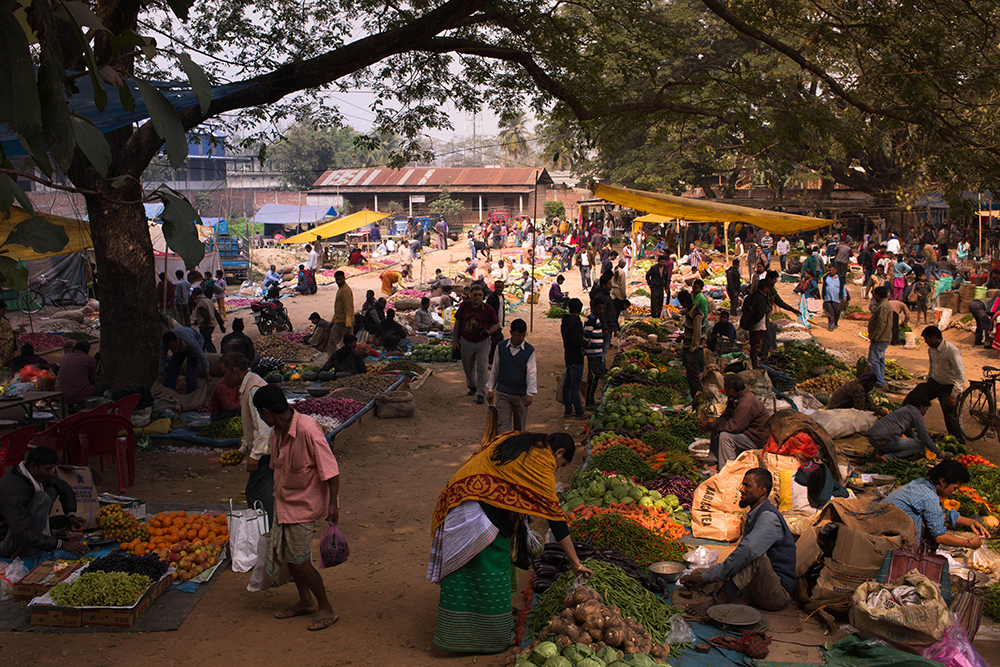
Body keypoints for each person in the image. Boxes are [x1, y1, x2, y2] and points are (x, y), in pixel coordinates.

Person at [428, 431, 591, 652]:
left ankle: (464, 631)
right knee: (493, 567)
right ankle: (488, 639)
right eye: (561, 464)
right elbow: (556, 521)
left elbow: (508, 477)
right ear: (559, 452)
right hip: (474, 511)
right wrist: (576, 563)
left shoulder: (523, 440)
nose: (556, 469)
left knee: (471, 574)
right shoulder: (543, 462)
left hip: (460, 495)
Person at [252, 385, 340, 631]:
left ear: (266, 412)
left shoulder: (307, 429)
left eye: (260, 414)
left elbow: (331, 471)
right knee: (290, 558)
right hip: (283, 502)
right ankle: (305, 601)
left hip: (304, 505)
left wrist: (333, 503)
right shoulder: (277, 431)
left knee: (301, 562)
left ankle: (326, 607)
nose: (261, 418)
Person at [681, 468, 795, 615]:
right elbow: (737, 557)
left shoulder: (768, 518)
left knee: (752, 554)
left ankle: (720, 599)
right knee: (702, 573)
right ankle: (742, 597)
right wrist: (703, 578)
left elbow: (749, 550)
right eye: (743, 485)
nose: (741, 489)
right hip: (757, 583)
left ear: (761, 491)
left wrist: (723, 577)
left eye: (747, 486)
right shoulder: (754, 515)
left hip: (776, 593)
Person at [0, 446, 88, 557]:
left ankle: (38, 538)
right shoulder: (14, 493)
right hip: (5, 542)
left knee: (52, 488)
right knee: (43, 498)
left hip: (20, 527)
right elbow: (22, 533)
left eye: (53, 469)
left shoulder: (31, 474)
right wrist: (62, 544)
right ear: (33, 467)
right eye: (48, 469)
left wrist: (71, 515)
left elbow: (64, 487)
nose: (51, 473)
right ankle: (26, 548)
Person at [218, 353, 274, 522]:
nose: (224, 377)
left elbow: (263, 427)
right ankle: (266, 525)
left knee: (256, 492)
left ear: (234, 371)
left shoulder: (253, 388)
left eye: (225, 373)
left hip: (267, 451)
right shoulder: (249, 385)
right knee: (262, 490)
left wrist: (255, 455)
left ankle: (264, 527)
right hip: (266, 449)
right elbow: (252, 425)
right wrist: (243, 449)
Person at [884, 460, 989, 549]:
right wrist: (969, 543)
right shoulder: (930, 497)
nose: (954, 493)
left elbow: (938, 513)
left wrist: (971, 522)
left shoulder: (922, 483)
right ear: (943, 481)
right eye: (954, 488)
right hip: (888, 541)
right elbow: (940, 537)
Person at [905, 326, 965, 443]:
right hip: (934, 383)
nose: (925, 342)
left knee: (950, 416)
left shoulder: (951, 351)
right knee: (915, 396)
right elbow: (932, 367)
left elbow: (960, 374)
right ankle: (901, 422)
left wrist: (954, 395)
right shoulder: (931, 349)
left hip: (948, 387)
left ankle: (959, 442)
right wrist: (928, 381)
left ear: (933, 338)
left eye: (926, 339)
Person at [699, 375, 769, 471]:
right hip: (745, 432)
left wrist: (710, 426)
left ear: (731, 390)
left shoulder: (746, 403)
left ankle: (726, 470)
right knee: (716, 430)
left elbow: (735, 427)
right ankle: (713, 462)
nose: (724, 391)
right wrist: (710, 425)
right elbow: (725, 417)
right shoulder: (735, 397)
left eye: (725, 389)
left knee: (725, 437)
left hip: (755, 439)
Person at [486, 319, 536, 433]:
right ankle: (504, 448)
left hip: (521, 395)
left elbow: (531, 373)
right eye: (518, 335)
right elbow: (495, 369)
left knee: (520, 428)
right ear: (511, 333)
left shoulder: (529, 351)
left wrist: (529, 394)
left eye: (524, 335)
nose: (521, 339)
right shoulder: (501, 347)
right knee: (503, 426)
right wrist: (490, 389)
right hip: (503, 393)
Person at [452, 284, 500, 404]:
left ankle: (481, 392)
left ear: (483, 296)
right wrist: (455, 340)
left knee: (482, 368)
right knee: (468, 367)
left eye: (480, 295)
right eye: (475, 295)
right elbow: (457, 323)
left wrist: (488, 332)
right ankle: (472, 386)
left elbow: (496, 324)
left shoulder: (488, 309)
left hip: (483, 343)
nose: (477, 297)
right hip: (466, 341)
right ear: (471, 296)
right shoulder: (464, 306)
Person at [867, 395, 943, 460]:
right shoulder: (916, 413)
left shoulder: (904, 409)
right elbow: (924, 437)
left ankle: (879, 455)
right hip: (886, 440)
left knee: (886, 436)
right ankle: (889, 457)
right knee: (920, 446)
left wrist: (914, 442)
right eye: (926, 409)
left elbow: (908, 431)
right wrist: (938, 452)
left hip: (872, 438)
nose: (925, 412)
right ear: (921, 407)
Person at [678, 290, 705, 410]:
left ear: (684, 302)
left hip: (693, 350)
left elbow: (697, 334)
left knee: (693, 376)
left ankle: (700, 401)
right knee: (690, 375)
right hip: (688, 347)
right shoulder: (689, 312)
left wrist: (692, 349)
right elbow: (689, 329)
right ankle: (695, 399)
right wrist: (683, 336)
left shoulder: (697, 314)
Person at [560, 298, 587, 419]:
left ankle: (568, 410)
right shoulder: (576, 322)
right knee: (575, 386)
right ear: (579, 309)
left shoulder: (565, 321)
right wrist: (587, 344)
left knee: (567, 384)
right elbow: (577, 340)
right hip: (576, 357)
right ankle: (579, 412)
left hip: (568, 355)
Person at [867, 286, 892, 386]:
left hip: (881, 338)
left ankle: (878, 381)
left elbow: (881, 324)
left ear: (877, 295)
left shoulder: (883, 306)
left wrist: (875, 337)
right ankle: (880, 380)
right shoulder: (885, 304)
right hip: (884, 337)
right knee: (880, 360)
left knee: (873, 361)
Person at [324, 271, 353, 358]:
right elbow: (339, 309)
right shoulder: (341, 289)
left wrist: (348, 325)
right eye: (337, 280)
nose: (339, 281)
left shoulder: (345, 291)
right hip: (339, 319)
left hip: (342, 321)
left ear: (344, 278)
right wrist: (332, 323)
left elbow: (348, 309)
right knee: (347, 343)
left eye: (341, 279)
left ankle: (332, 361)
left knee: (333, 342)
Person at [584, 299, 605, 407]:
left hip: (597, 352)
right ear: (593, 307)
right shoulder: (591, 319)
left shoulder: (595, 318)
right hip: (593, 353)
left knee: (595, 376)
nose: (601, 311)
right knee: (593, 377)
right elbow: (587, 335)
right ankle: (589, 401)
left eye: (602, 309)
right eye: (599, 309)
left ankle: (591, 399)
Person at [191, 287, 226, 353]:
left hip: (207, 326)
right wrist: (221, 324)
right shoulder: (208, 301)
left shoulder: (201, 304)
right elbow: (216, 313)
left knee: (208, 343)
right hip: (211, 325)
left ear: (195, 294)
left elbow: (207, 317)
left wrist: (203, 326)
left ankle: (213, 356)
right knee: (203, 342)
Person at [590, 273, 617, 353]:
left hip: (608, 325)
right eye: (609, 284)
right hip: (605, 327)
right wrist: (605, 328)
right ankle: (601, 365)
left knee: (604, 349)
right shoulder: (601, 296)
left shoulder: (605, 295)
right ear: (603, 285)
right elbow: (602, 314)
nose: (611, 286)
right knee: (603, 349)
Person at [820, 263, 842, 331]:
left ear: (835, 270)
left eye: (832, 270)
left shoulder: (840, 278)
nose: (831, 272)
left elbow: (842, 288)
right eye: (830, 270)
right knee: (830, 313)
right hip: (828, 298)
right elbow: (824, 287)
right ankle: (831, 325)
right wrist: (823, 294)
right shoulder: (826, 277)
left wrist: (844, 296)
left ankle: (835, 323)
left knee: (837, 312)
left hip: (837, 298)